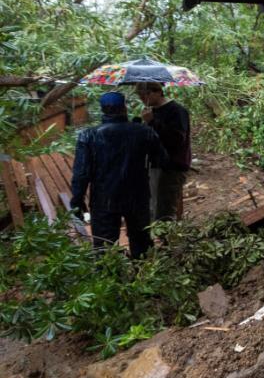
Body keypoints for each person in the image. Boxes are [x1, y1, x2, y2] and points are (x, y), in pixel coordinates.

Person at [71, 91, 167, 258]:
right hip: (138, 197)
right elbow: (161, 160)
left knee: (104, 247)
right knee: (142, 242)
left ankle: (110, 281)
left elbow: (81, 173)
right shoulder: (143, 132)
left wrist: (77, 201)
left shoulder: (88, 136)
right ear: (124, 108)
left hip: (104, 199)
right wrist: (146, 128)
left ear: (103, 110)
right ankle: (143, 277)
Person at [136, 82, 192, 221]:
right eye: (140, 96)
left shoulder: (177, 111)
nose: (143, 98)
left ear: (157, 92)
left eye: (145, 94)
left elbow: (177, 140)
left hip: (172, 166)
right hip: (155, 165)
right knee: (154, 209)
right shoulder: (151, 112)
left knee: (165, 211)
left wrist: (152, 122)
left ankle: (170, 241)